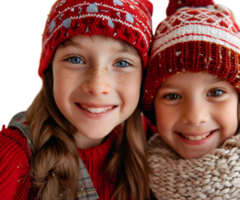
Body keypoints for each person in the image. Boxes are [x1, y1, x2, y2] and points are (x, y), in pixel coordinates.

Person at [141, 0, 240, 199]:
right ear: (153, 108)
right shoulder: (135, 178)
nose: (195, 117)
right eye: (172, 96)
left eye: (215, 93)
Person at [0, 0, 155, 199]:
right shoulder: (13, 153)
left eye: (122, 63)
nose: (98, 86)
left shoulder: (152, 138)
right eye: (75, 59)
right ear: (50, 71)